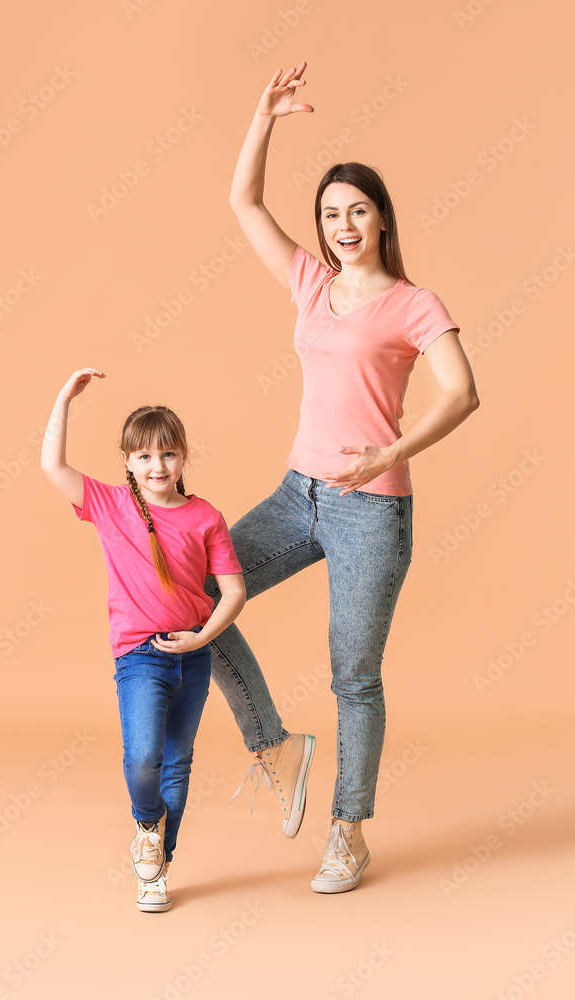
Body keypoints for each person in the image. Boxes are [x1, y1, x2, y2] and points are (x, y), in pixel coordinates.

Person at [205, 63, 480, 894]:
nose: (341, 224)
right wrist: (263, 116)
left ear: (381, 217)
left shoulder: (412, 303)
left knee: (352, 678)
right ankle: (276, 747)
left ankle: (346, 832)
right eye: (329, 214)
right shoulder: (312, 285)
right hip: (300, 495)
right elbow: (244, 205)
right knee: (195, 597)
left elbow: (462, 391)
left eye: (356, 210)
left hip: (370, 514)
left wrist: (392, 454)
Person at [41, 368, 245, 912]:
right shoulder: (111, 506)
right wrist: (64, 399)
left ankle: (154, 871)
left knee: (177, 763)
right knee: (144, 759)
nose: (159, 466)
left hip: (193, 656)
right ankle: (145, 827)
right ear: (128, 462)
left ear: (183, 458)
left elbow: (233, 591)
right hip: (139, 655)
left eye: (169, 454)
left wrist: (201, 636)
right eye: (146, 457)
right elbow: (52, 466)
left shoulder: (206, 517)